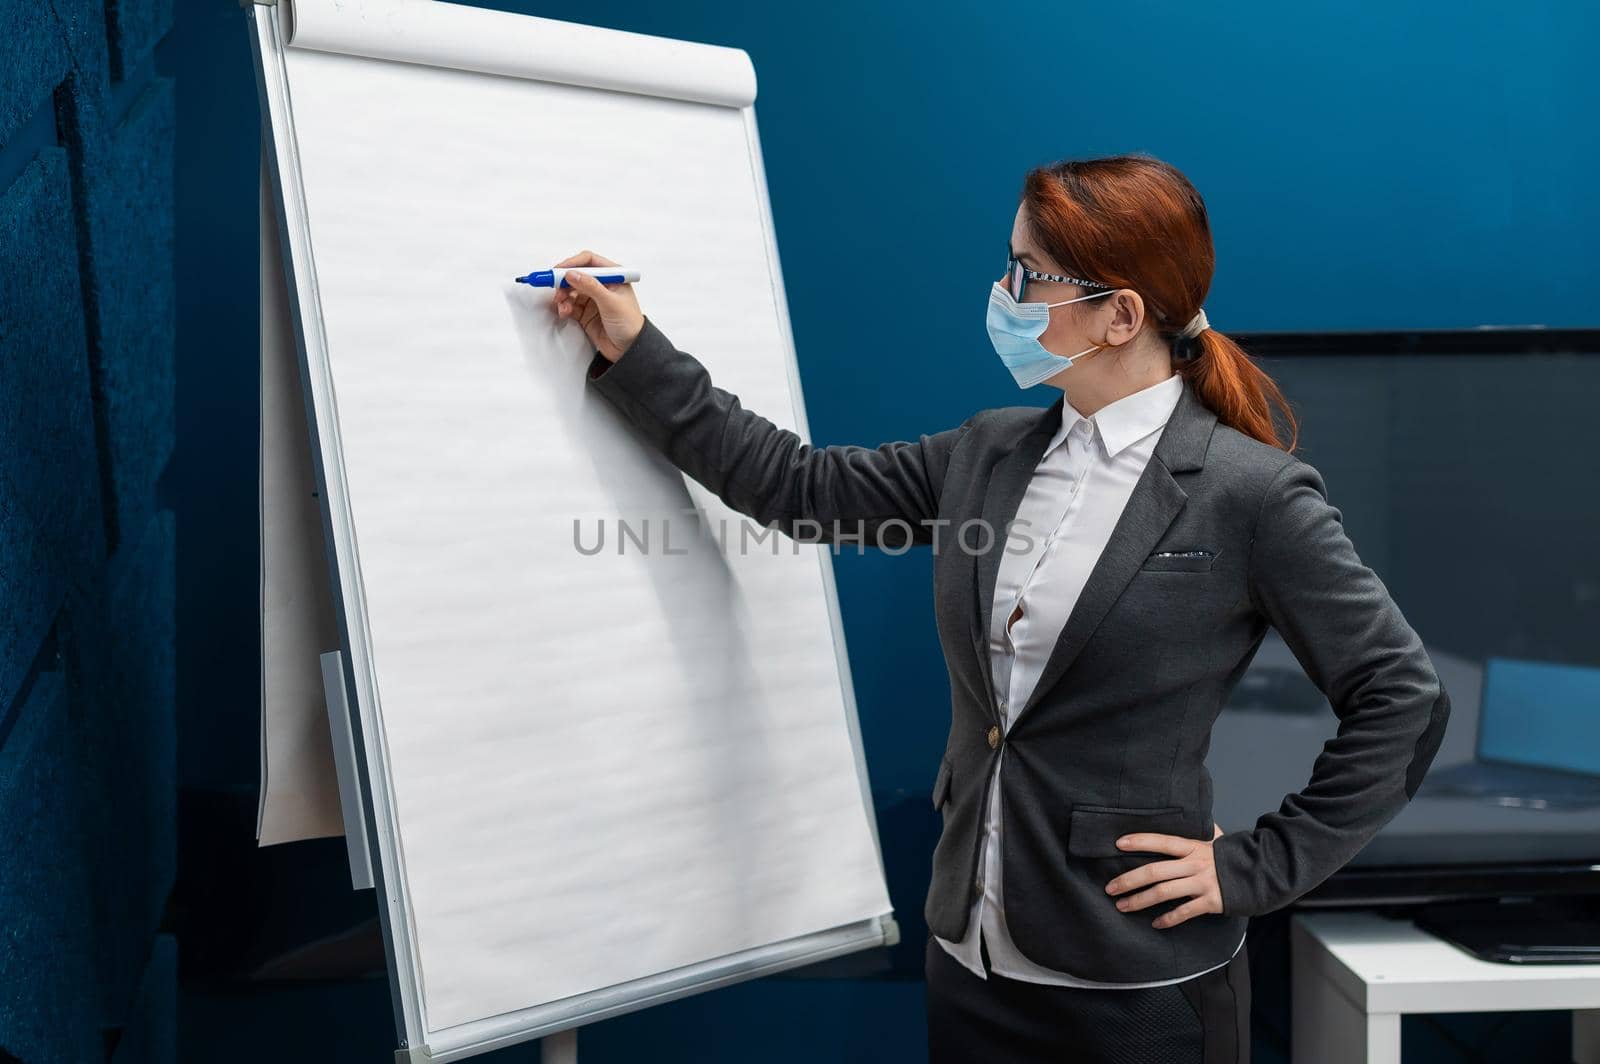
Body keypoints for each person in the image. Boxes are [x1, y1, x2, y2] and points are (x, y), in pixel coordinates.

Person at [551, 153, 1451, 1064]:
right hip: (971, 963)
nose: (1002, 292)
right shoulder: (990, 452)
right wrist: (635, 347)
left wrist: (1254, 866)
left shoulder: (1250, 494)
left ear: (1122, 314)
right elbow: (796, 486)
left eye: (1027, 276)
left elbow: (1402, 698)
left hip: (1132, 988)